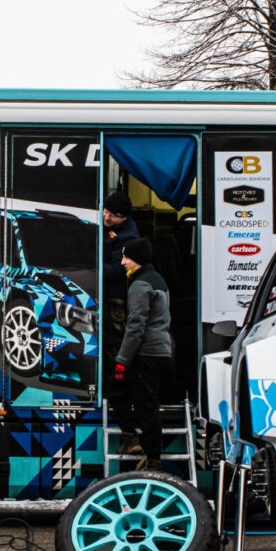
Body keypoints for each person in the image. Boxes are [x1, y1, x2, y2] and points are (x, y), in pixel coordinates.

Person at [112, 237, 173, 472]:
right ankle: (135, 442)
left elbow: (135, 326)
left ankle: (150, 456)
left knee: (137, 403)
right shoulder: (159, 280)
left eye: (126, 257)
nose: (122, 262)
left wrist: (122, 361)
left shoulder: (140, 285)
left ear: (137, 259)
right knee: (145, 403)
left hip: (146, 354)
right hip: (162, 353)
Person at [99, 190, 139, 368]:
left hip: (114, 297)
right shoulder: (107, 225)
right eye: (106, 211)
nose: (107, 217)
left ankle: (117, 380)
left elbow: (117, 270)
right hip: (101, 292)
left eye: (112, 216)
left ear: (124, 218)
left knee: (114, 342)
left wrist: (93, 265)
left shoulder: (128, 236)